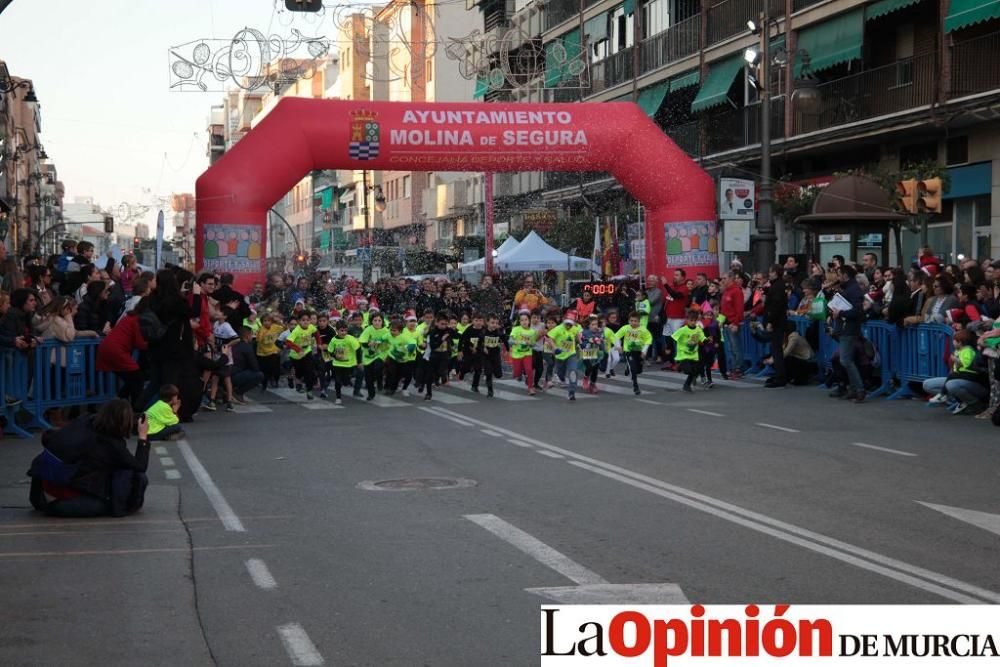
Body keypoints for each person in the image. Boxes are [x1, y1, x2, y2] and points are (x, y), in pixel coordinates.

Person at [28, 399, 149, 518]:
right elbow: (139, 466)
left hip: (43, 493)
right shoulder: (112, 445)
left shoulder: (84, 421)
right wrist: (143, 437)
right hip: (63, 500)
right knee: (121, 477)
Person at [97, 298, 149, 409]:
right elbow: (140, 343)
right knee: (137, 379)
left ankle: (118, 406)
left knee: (132, 380)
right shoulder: (136, 320)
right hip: (116, 351)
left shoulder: (129, 318)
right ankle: (134, 409)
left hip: (108, 349)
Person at [923, 329, 989, 415]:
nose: (952, 342)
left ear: (960, 342)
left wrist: (955, 360)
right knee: (927, 384)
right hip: (960, 376)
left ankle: (975, 404)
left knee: (951, 384)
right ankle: (957, 400)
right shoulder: (958, 350)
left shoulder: (969, 350)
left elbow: (966, 364)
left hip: (972, 379)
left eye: (954, 340)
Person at [829, 265, 866, 402]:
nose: (838, 278)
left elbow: (858, 311)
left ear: (845, 275)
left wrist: (841, 313)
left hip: (849, 329)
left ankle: (860, 389)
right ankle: (854, 389)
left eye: (839, 275)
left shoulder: (854, 290)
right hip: (845, 328)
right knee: (846, 360)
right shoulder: (849, 289)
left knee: (846, 360)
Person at [614, 311, 653, 395]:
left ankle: (628, 368)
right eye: (631, 321)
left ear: (639, 321)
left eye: (635, 321)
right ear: (629, 321)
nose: (633, 323)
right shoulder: (625, 328)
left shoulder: (643, 330)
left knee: (638, 370)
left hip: (639, 352)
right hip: (629, 351)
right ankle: (636, 387)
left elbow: (648, 340)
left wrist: (644, 351)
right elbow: (616, 336)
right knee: (634, 369)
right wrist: (618, 346)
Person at [762, 265, 788, 388]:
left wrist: (770, 321)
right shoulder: (776, 285)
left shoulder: (778, 286)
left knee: (777, 350)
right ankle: (778, 375)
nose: (769, 274)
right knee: (775, 349)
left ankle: (780, 377)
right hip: (777, 321)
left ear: (776, 273)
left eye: (771, 272)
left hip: (777, 322)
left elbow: (776, 305)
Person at [548, 311, 582, 401]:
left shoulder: (574, 328)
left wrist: (580, 342)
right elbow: (550, 338)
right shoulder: (558, 329)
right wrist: (555, 348)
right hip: (560, 356)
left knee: (573, 371)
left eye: (571, 324)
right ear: (563, 321)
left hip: (571, 354)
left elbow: (578, 336)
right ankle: (561, 378)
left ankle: (572, 392)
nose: (569, 326)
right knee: (561, 374)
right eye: (567, 324)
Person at [671, 308, 706, 393]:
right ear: (687, 320)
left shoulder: (698, 329)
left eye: (695, 320)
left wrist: (707, 340)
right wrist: (669, 347)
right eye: (691, 320)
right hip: (684, 354)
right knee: (688, 370)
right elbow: (673, 337)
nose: (693, 322)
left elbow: (703, 338)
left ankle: (686, 385)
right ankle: (679, 365)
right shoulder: (683, 329)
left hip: (693, 354)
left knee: (695, 371)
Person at [327, 320, 361, 405]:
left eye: (345, 330)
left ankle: (348, 380)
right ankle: (338, 397)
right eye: (342, 330)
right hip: (337, 364)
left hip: (349, 364)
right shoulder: (334, 340)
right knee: (338, 381)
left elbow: (358, 349)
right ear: (337, 330)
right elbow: (330, 351)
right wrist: (335, 356)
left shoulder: (350, 339)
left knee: (345, 382)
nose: (344, 332)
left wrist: (359, 362)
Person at [358, 312, 390, 401]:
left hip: (381, 353)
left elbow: (391, 342)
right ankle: (371, 394)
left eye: (379, 320)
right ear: (371, 321)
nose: (377, 322)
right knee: (368, 377)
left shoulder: (386, 331)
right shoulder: (368, 329)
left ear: (382, 322)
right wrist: (369, 344)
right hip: (368, 356)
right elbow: (363, 342)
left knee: (377, 368)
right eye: (375, 320)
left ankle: (380, 381)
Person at [423, 314, 453, 401]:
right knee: (430, 376)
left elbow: (456, 337)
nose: (444, 326)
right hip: (434, 355)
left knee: (441, 371)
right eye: (442, 324)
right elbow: (433, 346)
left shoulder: (448, 330)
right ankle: (428, 393)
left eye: (446, 324)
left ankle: (442, 377)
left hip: (444, 355)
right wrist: (441, 339)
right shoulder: (433, 332)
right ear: (436, 323)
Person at [230, 326, 264, 402]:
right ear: (247, 336)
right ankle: (237, 393)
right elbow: (255, 367)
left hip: (228, 375)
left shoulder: (233, 344)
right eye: (252, 335)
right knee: (259, 375)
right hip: (235, 376)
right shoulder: (247, 347)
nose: (252, 337)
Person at [508, 311, 538, 395]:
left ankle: (530, 387)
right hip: (517, 355)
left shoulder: (532, 331)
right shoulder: (516, 329)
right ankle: (519, 374)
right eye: (522, 320)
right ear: (519, 321)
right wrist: (515, 341)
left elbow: (533, 344)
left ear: (529, 321)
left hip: (527, 354)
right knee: (516, 373)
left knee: (529, 369)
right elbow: (510, 341)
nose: (524, 322)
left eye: (526, 320)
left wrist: (530, 344)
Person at [256, 313, 284, 390]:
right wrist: (262, 333)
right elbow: (258, 340)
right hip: (263, 353)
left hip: (273, 351)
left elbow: (284, 328)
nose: (267, 322)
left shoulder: (275, 327)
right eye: (265, 321)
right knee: (264, 369)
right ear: (262, 322)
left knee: (275, 365)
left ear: (271, 322)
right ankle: (264, 383)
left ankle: (275, 380)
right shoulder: (261, 330)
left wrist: (278, 321)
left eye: (268, 321)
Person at [578, 316, 605, 394]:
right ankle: (585, 378)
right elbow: (580, 342)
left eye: (596, 324)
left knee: (595, 369)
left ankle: (593, 384)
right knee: (589, 367)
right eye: (592, 324)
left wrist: (600, 343)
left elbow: (602, 345)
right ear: (588, 325)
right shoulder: (584, 332)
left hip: (596, 353)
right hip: (586, 352)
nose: (595, 326)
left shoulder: (600, 332)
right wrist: (588, 341)